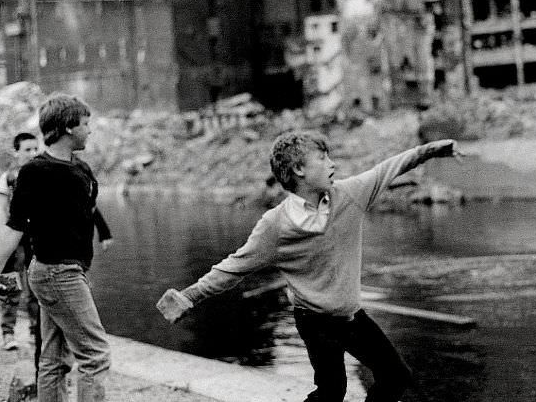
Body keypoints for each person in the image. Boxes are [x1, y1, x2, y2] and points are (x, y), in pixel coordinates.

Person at [157, 131, 461, 402]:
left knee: (396, 376)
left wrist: (435, 149)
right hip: (314, 321)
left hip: (352, 317)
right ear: (299, 169)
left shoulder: (350, 194)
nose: (333, 164)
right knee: (332, 391)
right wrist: (189, 296)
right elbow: (234, 268)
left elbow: (391, 167)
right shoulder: (275, 226)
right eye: (323, 158)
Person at [0, 93, 113, 402]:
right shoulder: (35, 171)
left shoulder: (82, 169)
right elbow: (15, 226)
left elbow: (89, 213)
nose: (90, 130)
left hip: (71, 272)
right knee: (95, 354)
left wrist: (102, 235)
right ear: (69, 127)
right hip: (56, 273)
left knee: (55, 359)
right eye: (85, 124)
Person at [0, 132, 39, 353]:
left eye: (35, 149)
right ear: (17, 152)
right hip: (14, 237)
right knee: (10, 284)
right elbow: (1, 208)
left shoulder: (42, 174)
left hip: (36, 238)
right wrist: (4, 237)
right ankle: (8, 333)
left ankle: (35, 330)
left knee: (35, 286)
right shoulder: (9, 177)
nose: (33, 153)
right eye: (27, 150)